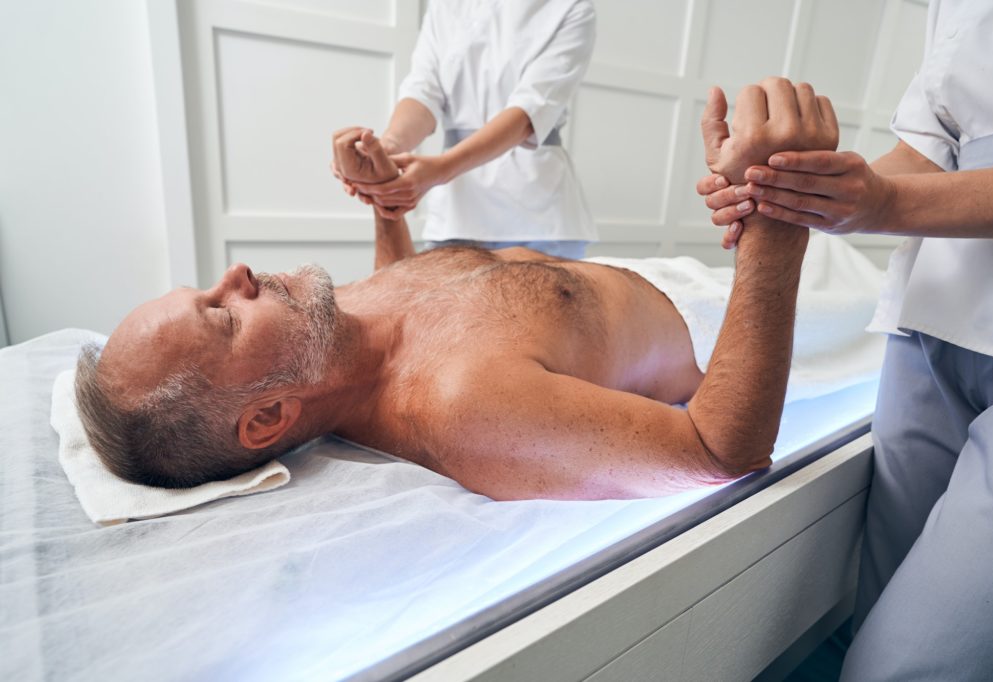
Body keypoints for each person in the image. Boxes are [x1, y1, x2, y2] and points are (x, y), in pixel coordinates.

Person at [75, 78, 838, 501]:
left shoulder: (339, 331)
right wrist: (780, 214)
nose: (235, 276)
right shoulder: (465, 404)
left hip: (684, 277)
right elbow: (717, 451)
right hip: (735, 325)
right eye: (221, 317)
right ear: (269, 414)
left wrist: (387, 204)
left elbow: (411, 295)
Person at [697, 2, 993, 678]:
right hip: (931, 328)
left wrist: (883, 206)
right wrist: (790, 188)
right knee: (876, 602)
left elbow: (898, 193)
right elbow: (927, 150)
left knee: (904, 665)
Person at [329, 0, 597, 259]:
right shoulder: (445, 5)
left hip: (537, 218)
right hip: (455, 217)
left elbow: (530, 112)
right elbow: (423, 92)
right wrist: (384, 149)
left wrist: (442, 169)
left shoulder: (571, 7)